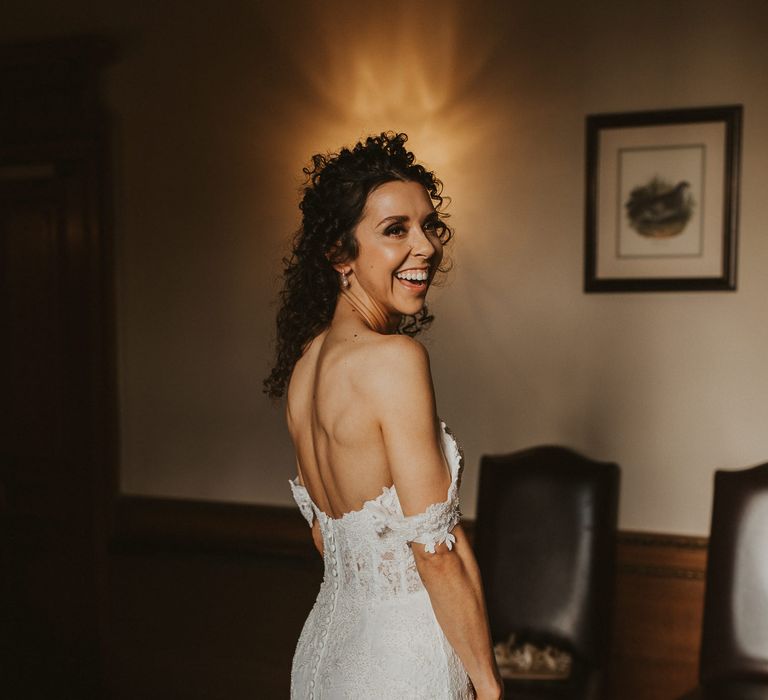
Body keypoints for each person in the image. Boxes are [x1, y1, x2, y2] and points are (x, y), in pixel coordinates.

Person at [265, 132, 502, 699]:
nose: (425, 246)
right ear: (339, 253)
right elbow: (435, 552)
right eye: (396, 230)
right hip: (406, 658)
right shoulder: (395, 360)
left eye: (428, 225)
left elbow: (328, 538)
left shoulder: (305, 366)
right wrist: (489, 687)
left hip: (326, 654)